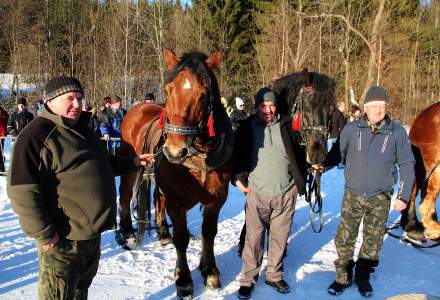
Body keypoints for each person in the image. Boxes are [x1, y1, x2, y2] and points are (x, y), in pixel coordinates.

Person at [7, 76, 155, 300]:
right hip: (63, 241)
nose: (78, 104)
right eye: (70, 98)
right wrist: (44, 234)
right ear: (51, 100)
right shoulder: (35, 136)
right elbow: (21, 191)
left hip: (90, 237)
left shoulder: (82, 129)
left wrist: (132, 162)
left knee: (79, 293)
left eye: (80, 98)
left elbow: (102, 163)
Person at [324, 86, 415, 297]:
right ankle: (342, 276)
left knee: (373, 241)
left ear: (386, 107)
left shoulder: (397, 132)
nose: (378, 110)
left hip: (380, 197)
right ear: (365, 107)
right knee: (345, 238)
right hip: (353, 194)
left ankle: (363, 276)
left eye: (381, 106)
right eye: (373, 106)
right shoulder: (351, 129)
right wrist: (321, 165)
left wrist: (403, 196)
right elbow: (337, 153)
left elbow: (408, 165)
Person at [233, 87, 307, 299]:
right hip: (257, 191)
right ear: (257, 107)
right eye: (263, 105)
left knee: (279, 238)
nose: (267, 109)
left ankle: (274, 275)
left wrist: (299, 181)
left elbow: (301, 153)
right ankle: (248, 279)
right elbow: (235, 155)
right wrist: (238, 178)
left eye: (271, 105)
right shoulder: (246, 128)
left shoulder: (288, 125)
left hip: (285, 192)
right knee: (253, 239)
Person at [0, 105, 8, 172]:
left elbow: (8, 123)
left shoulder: (4, 112)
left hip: (4, 136)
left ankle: (3, 168)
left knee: (4, 153)